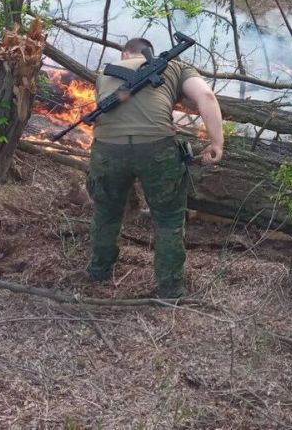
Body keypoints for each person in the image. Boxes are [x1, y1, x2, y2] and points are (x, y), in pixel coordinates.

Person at [86, 37, 224, 299]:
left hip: (108, 149)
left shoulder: (105, 72)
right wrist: (217, 141)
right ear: (148, 52)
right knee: (168, 218)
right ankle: (171, 290)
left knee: (106, 213)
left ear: (126, 54)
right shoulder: (176, 67)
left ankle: (99, 271)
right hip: (157, 149)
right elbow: (206, 95)